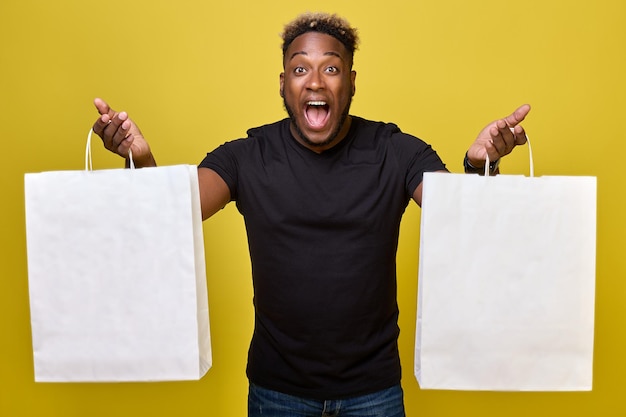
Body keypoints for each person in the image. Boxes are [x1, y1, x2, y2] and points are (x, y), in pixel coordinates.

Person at [92, 12, 530, 417]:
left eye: (331, 68)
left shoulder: (396, 152)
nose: (316, 81)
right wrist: (140, 160)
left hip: (373, 393)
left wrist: (479, 165)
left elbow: (460, 219)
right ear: (283, 84)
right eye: (301, 68)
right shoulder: (247, 157)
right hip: (276, 393)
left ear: (352, 82)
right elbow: (169, 212)